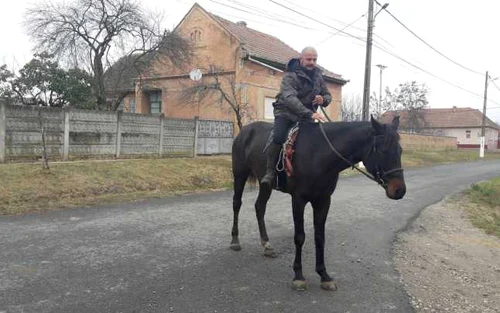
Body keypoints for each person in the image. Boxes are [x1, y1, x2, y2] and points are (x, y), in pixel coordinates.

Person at [261, 46, 331, 188]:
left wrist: (323, 99)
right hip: (286, 112)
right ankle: (270, 172)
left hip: (307, 115)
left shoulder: (318, 76)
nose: (312, 62)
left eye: (314, 59)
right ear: (301, 59)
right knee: (279, 136)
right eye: (308, 59)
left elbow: (328, 94)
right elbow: (289, 98)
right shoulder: (290, 75)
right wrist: (309, 113)